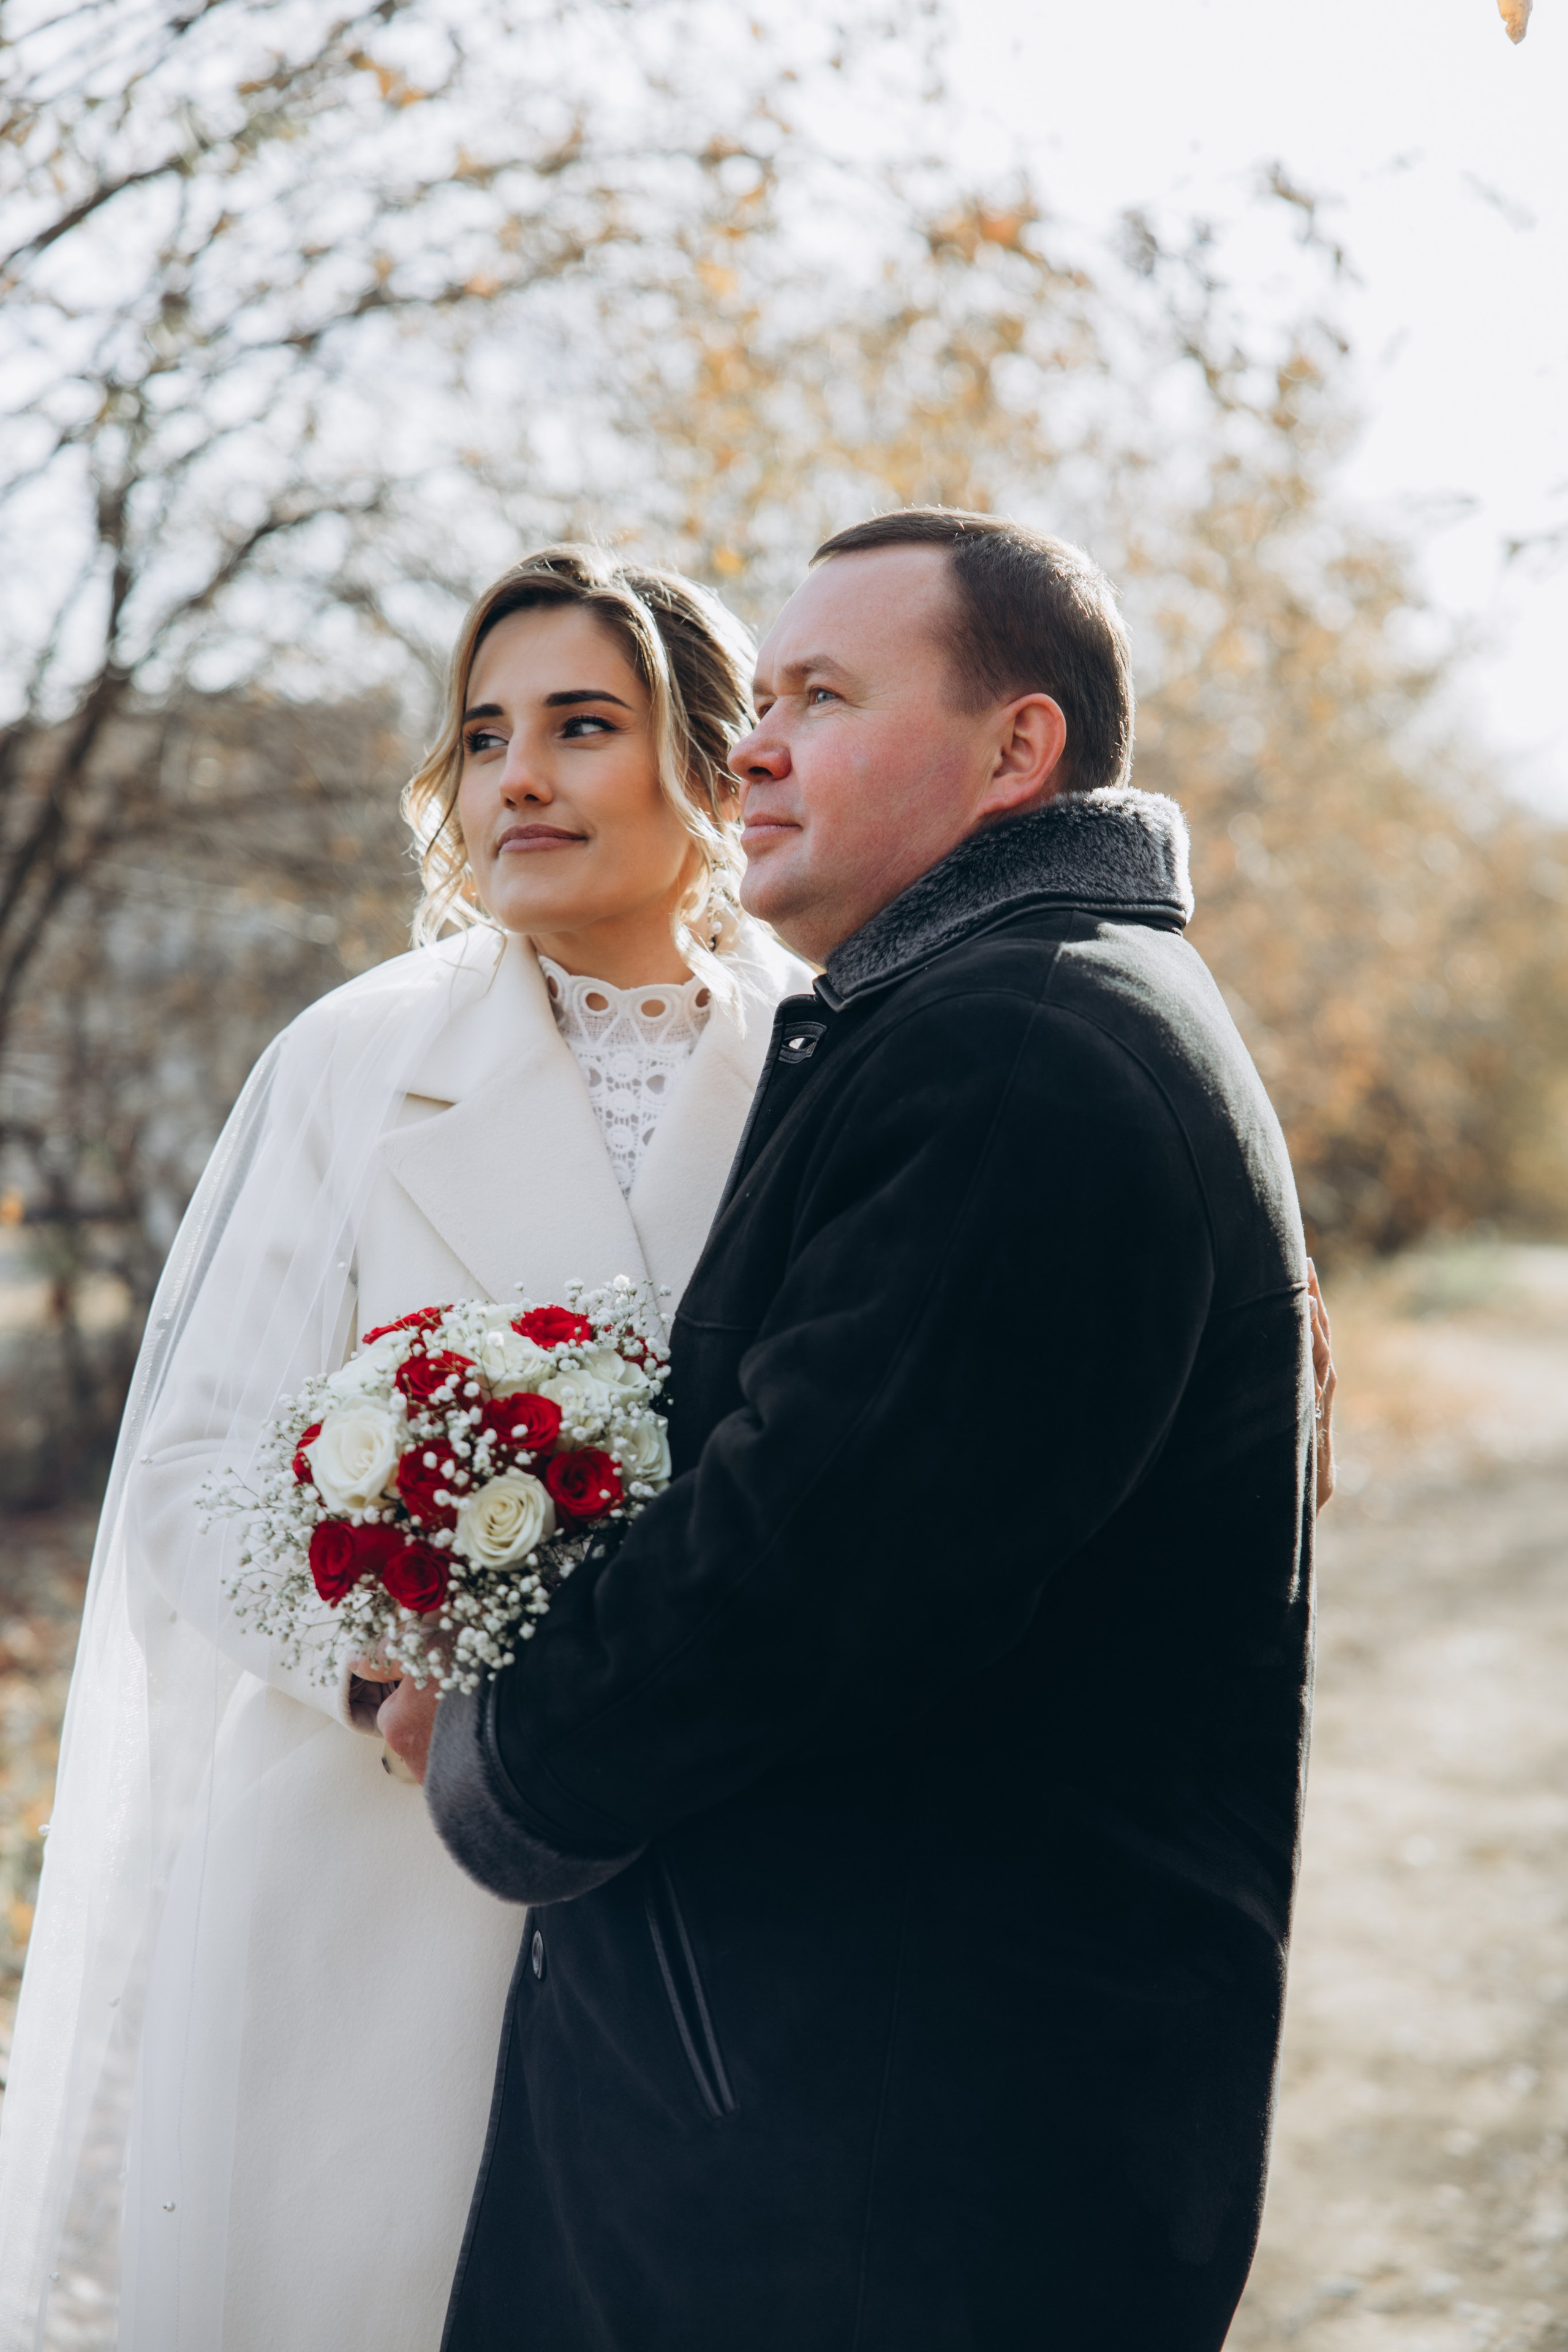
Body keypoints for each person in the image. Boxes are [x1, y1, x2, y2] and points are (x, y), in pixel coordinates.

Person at [414, 510, 1335, 2352]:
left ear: (1018, 750)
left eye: (820, 697)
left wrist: (498, 1748)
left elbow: (790, 1576)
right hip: (876, 2105)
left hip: (886, 2158)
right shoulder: (999, 1013)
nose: (749, 744)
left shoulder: (1023, 1053)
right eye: (758, 697)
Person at [0, 548, 809, 2351]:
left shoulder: (827, 1063)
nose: (517, 775)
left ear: (710, 753)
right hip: (382, 1851)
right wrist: (390, 1677)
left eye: (582, 726)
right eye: (483, 733)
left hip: (722, 1865)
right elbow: (202, 1471)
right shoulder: (355, 1061)